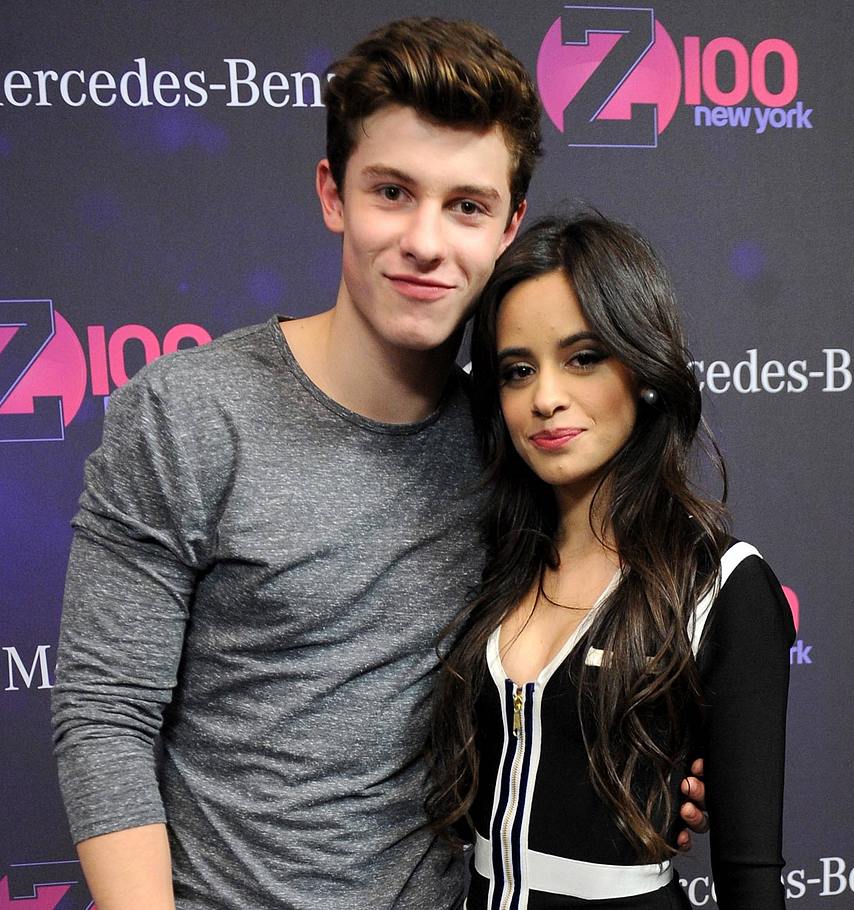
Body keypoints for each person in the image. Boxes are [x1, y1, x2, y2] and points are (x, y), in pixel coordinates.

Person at [51, 19, 707, 910]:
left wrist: (653, 764)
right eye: (392, 192)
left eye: (467, 206)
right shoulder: (189, 413)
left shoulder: (516, 434)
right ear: (333, 194)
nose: (427, 243)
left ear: (510, 226)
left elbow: (583, 639)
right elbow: (104, 718)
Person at [426, 212, 795, 909]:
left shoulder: (722, 586)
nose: (545, 397)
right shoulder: (488, 563)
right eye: (517, 370)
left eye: (583, 357)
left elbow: (751, 879)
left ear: (645, 367)